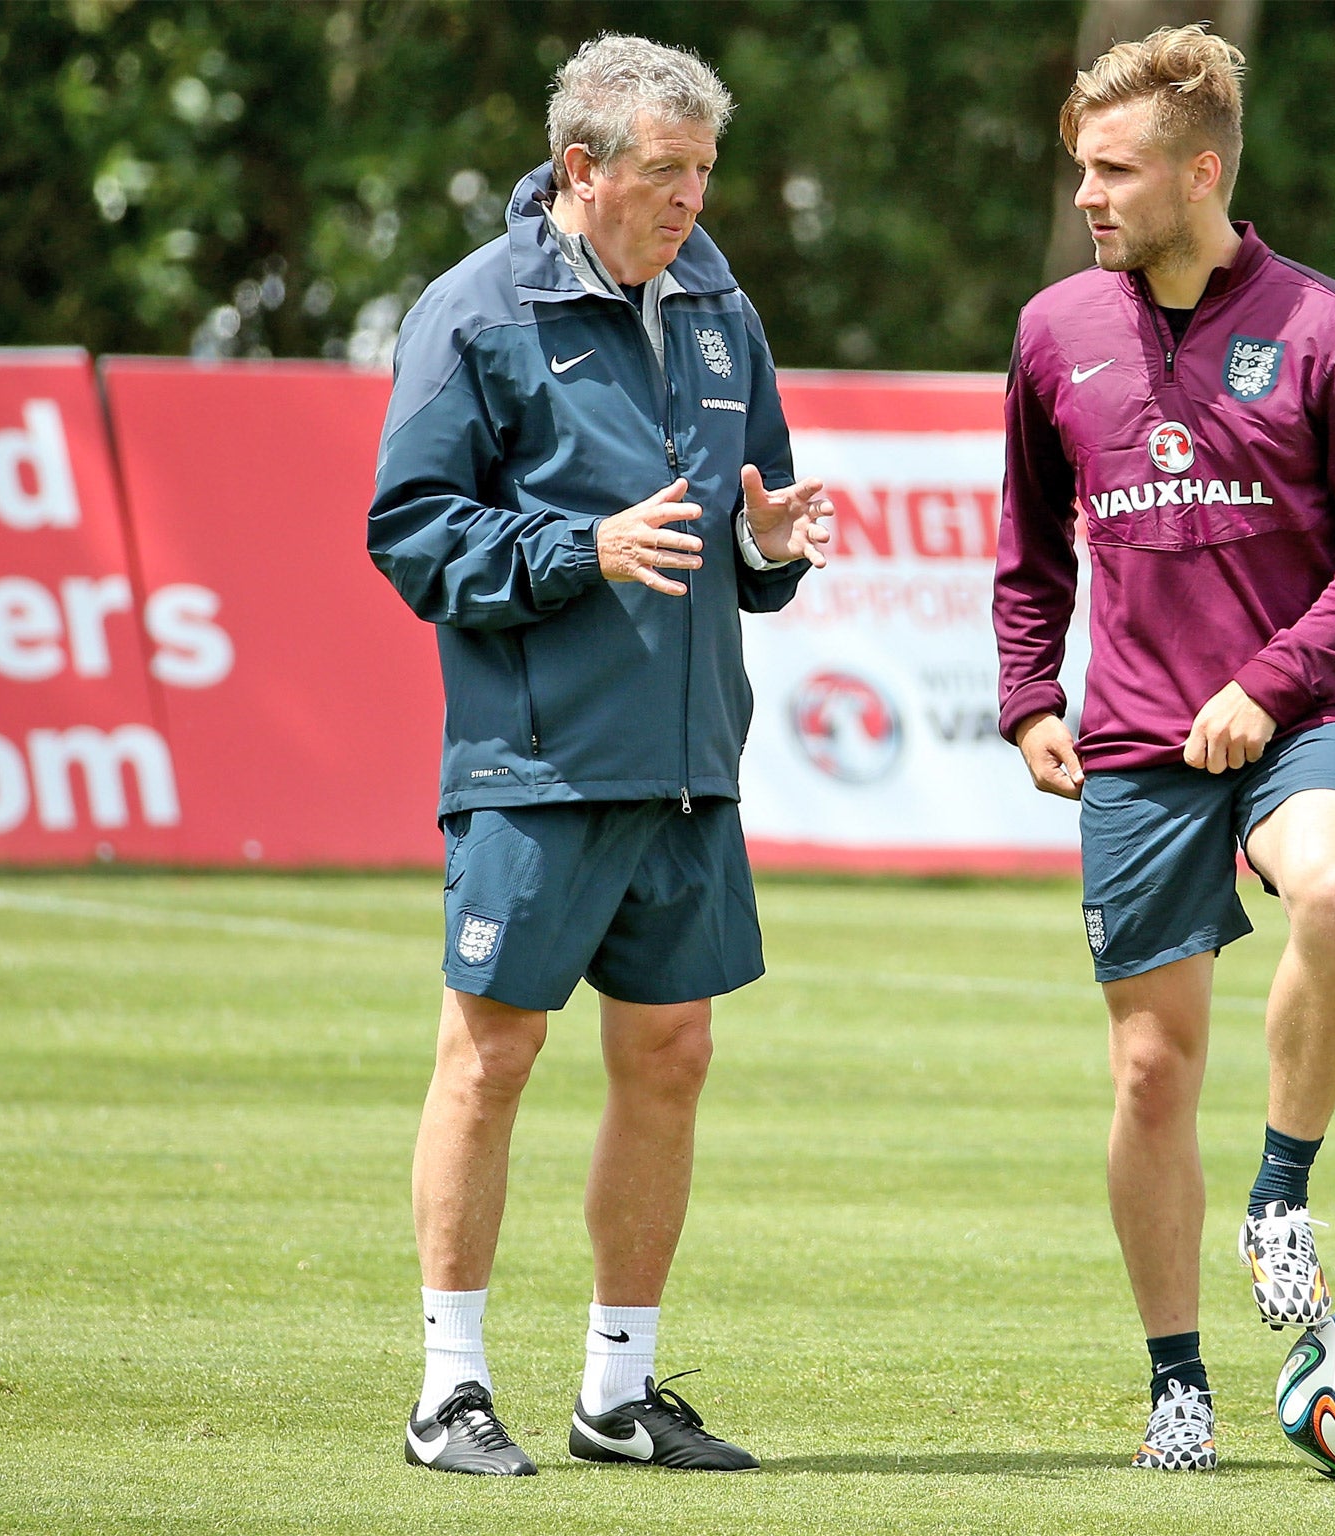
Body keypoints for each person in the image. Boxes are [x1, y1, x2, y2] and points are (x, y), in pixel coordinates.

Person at [368, 33, 831, 1477]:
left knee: (674, 1057)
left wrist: (770, 550)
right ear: (583, 168)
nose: (694, 198)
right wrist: (585, 548)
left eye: (706, 169)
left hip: (691, 762)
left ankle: (616, 1392)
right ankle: (449, 1388)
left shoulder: (719, 306)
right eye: (667, 171)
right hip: (537, 763)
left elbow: (749, 524)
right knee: (492, 1057)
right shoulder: (473, 311)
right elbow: (413, 530)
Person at [993, 24, 1335, 1472]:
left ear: (1202, 174)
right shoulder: (1054, 332)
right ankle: (1177, 1377)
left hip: (1300, 714)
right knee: (1148, 1072)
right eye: (1080, 171)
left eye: (1114, 171)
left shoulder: (1329, 331)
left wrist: (1273, 678)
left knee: (1333, 886)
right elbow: (1026, 552)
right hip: (1128, 739)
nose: (1088, 198)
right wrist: (1028, 697)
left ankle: (1284, 1192)